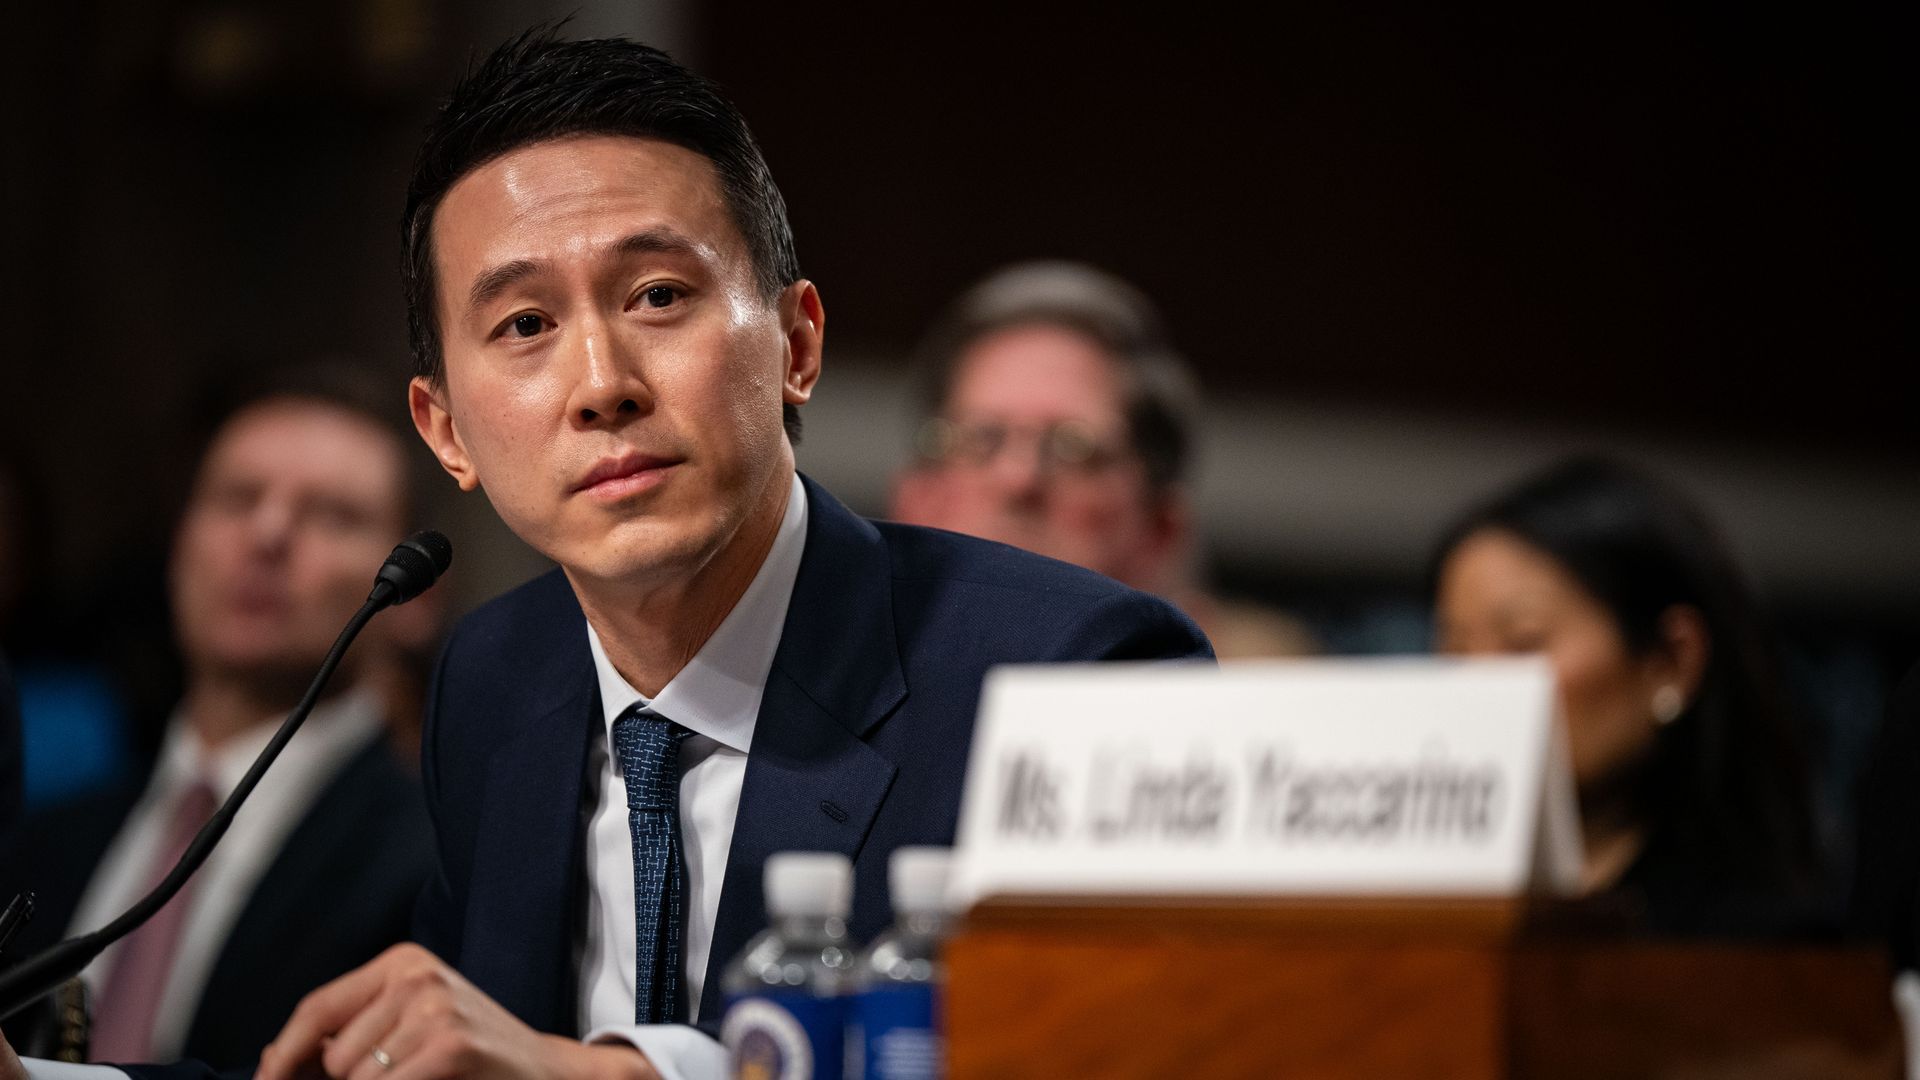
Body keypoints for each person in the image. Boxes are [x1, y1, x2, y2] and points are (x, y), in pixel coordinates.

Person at [0, 28, 1212, 1080]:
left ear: (795, 345)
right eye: (525, 325)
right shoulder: (497, 684)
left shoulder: (1061, 675)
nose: (600, 385)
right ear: (449, 432)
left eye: (658, 298)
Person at [0, 368, 437, 1071]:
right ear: (178, 543)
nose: (268, 534)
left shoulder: (436, 872)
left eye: (331, 514)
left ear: (415, 597)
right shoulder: (47, 840)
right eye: (236, 499)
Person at [1430, 456, 1829, 935]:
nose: (1478, 683)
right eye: (1454, 651)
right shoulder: (1417, 913)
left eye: (1523, 643)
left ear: (1671, 661)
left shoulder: (1763, 943)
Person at [889, 262, 1315, 659]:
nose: (1018, 479)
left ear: (1160, 531)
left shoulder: (1253, 694)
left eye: (1074, 448)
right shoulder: (837, 688)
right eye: (980, 439)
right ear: (918, 501)